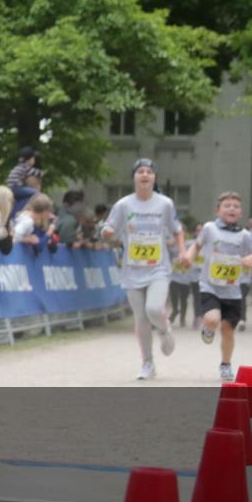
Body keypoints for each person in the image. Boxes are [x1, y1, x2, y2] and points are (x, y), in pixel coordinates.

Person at [101, 159, 183, 381]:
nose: (145, 175)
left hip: (158, 267)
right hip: (132, 269)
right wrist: (107, 232)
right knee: (141, 318)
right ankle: (148, 363)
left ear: (154, 177)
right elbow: (108, 228)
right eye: (140, 172)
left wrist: (183, 252)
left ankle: (165, 329)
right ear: (134, 177)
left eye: (149, 172)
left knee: (154, 309)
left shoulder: (165, 203)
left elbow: (177, 230)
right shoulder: (123, 205)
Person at [180, 192, 252, 381]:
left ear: (240, 213)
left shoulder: (244, 235)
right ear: (218, 210)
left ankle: (225, 364)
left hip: (233, 290)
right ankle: (207, 328)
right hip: (210, 286)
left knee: (228, 330)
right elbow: (197, 246)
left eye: (235, 206)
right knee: (212, 319)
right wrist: (189, 257)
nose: (231, 208)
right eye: (227, 205)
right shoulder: (209, 228)